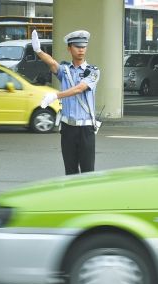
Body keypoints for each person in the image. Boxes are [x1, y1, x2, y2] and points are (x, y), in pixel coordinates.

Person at [32, 29, 100, 175]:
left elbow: (80, 88)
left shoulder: (93, 71)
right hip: (68, 129)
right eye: (77, 46)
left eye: (84, 46)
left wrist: (56, 96)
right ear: (69, 48)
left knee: (88, 172)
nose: (81, 50)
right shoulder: (65, 70)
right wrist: (38, 51)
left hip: (86, 129)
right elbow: (51, 63)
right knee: (70, 171)